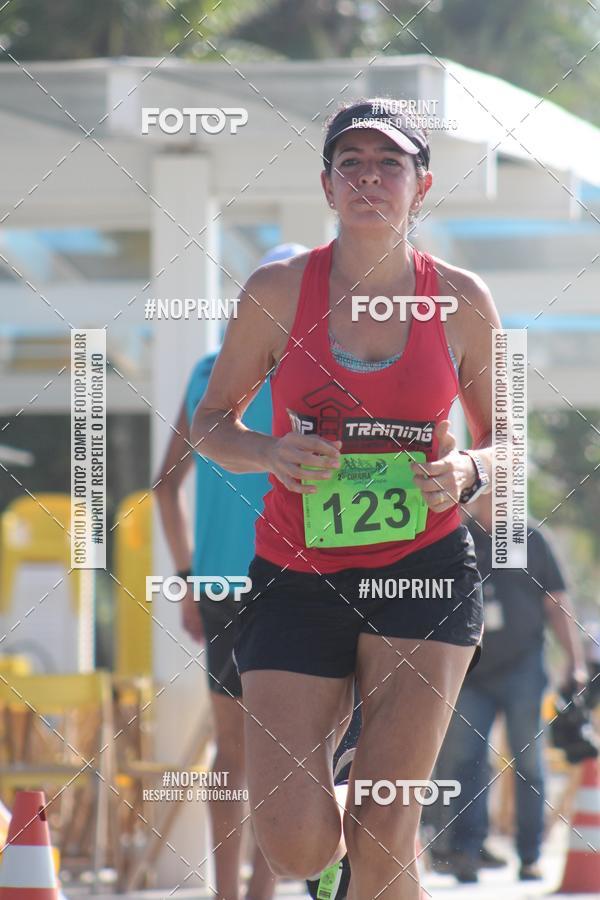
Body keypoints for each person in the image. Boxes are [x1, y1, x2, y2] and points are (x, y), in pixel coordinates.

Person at [191, 97, 500, 899]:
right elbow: (209, 423)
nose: (369, 179)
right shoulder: (278, 290)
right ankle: (344, 807)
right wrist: (268, 451)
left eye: (388, 164)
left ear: (420, 186)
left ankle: (370, 803)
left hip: (424, 571)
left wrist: (470, 470)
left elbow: (514, 440)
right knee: (295, 848)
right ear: (326, 187)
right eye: (351, 164)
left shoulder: (461, 300)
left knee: (384, 825)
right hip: (298, 576)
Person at [154, 243, 306, 900]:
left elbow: (164, 487)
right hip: (292, 582)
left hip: (218, 582)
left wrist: (188, 578)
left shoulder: (206, 374)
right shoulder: (309, 373)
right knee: (288, 757)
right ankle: (262, 895)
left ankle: (227, 897)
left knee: (232, 754)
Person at [430, 493, 588, 884]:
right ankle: (468, 852)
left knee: (529, 762)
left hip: (523, 668)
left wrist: (575, 661)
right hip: (471, 671)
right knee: (464, 760)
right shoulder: (457, 537)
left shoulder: (531, 538)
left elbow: (557, 602)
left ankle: (530, 855)